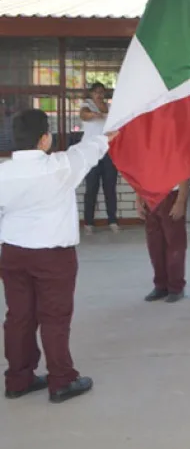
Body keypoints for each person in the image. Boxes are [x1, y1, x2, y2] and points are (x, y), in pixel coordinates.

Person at [0, 109, 115, 403]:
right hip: (53, 257)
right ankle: (61, 380)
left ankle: (18, 379)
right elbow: (92, 148)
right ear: (44, 139)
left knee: (18, 317)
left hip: (12, 253)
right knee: (54, 318)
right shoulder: (61, 167)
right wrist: (113, 131)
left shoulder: (3, 172)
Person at [138, 180, 190, 303]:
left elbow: (184, 173)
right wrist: (139, 198)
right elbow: (141, 172)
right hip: (150, 195)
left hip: (171, 194)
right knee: (154, 245)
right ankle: (161, 285)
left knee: (174, 243)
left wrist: (181, 201)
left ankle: (176, 287)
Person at [80, 82, 119, 234]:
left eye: (102, 92)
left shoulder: (109, 108)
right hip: (91, 153)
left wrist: (105, 115)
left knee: (110, 187)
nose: (99, 94)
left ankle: (112, 220)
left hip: (108, 152)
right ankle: (89, 222)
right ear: (91, 93)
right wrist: (98, 115)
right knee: (91, 188)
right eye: (96, 92)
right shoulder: (87, 105)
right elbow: (85, 115)